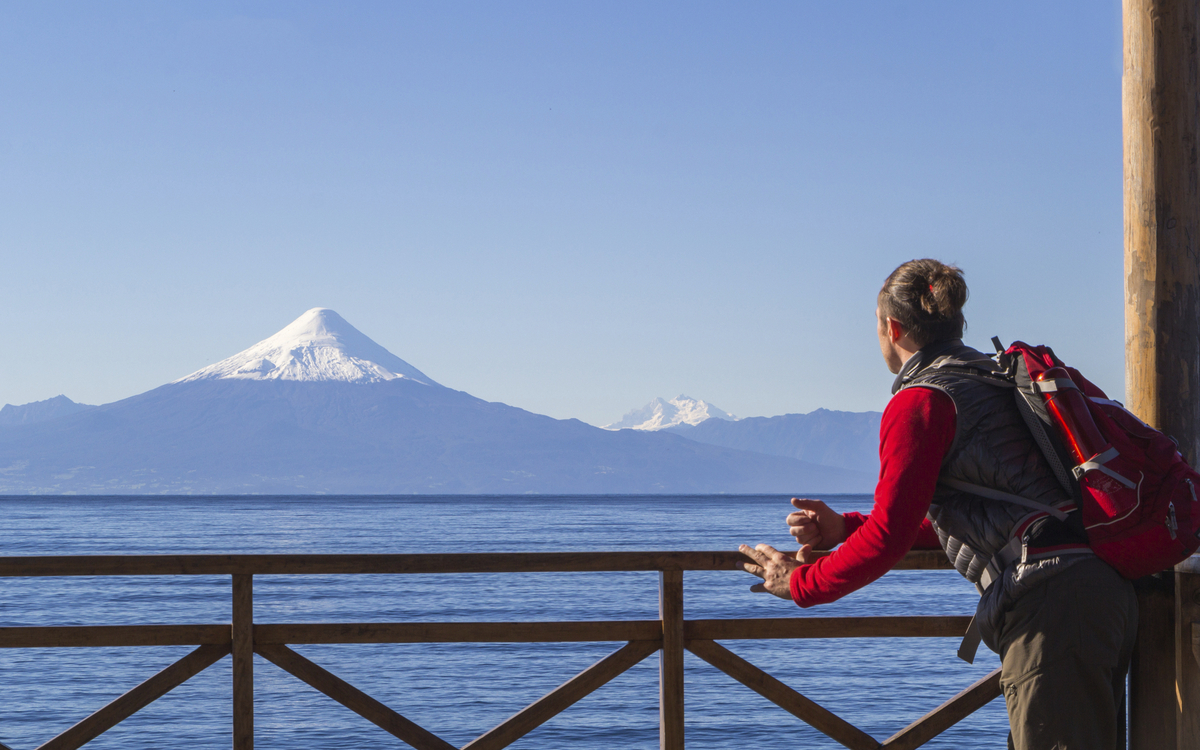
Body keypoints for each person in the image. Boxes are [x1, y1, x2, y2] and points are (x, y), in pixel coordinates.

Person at [739, 259, 1138, 750]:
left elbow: (891, 535)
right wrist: (845, 528)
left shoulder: (922, 401)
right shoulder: (993, 379)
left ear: (892, 327)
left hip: (1051, 607)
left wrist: (798, 583)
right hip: (1096, 593)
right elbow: (975, 515)